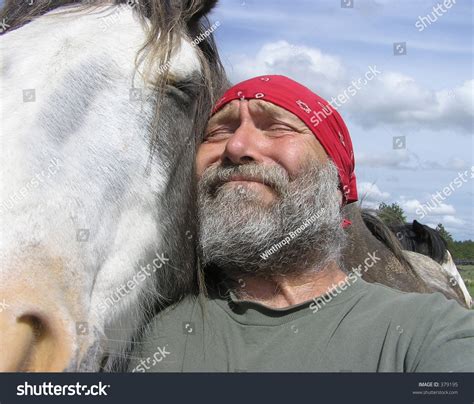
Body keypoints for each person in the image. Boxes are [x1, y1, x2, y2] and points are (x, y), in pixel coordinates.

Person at [128, 75, 474, 372]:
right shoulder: (145, 332)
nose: (236, 146)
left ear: (336, 180)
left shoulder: (428, 331)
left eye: (276, 127)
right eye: (218, 132)